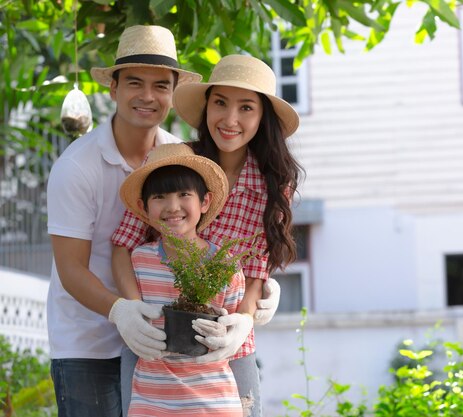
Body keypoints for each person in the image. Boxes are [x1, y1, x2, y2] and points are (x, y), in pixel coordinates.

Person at [111, 54, 302, 417]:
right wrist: (132, 311)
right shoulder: (176, 162)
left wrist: (244, 319)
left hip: (226, 349)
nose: (230, 120)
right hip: (154, 348)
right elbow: (124, 243)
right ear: (206, 107)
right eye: (220, 103)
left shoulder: (273, 184)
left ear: (263, 118)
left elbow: (255, 269)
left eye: (246, 107)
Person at [46, 25, 203, 417]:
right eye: (135, 83)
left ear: (172, 94)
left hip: (163, 340)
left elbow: (200, 235)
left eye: (160, 86)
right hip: (88, 344)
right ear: (113, 89)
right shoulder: (76, 167)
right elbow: (70, 268)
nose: (147, 97)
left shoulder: (178, 155)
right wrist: (121, 311)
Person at [119, 143, 245, 416]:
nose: (172, 207)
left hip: (213, 401)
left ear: (205, 201)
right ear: (144, 207)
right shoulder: (139, 261)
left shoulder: (225, 265)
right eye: (160, 197)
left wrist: (223, 334)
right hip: (151, 401)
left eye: (184, 194)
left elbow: (234, 330)